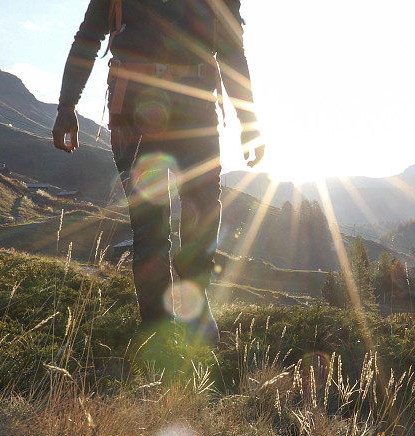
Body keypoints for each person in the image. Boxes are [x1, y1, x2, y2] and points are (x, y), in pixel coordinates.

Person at [52, 0, 264, 349]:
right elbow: (88, 38)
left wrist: (250, 121)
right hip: (135, 107)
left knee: (203, 209)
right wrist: (66, 105)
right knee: (150, 224)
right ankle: (156, 325)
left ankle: (194, 304)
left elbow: (230, 51)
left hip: (193, 108)